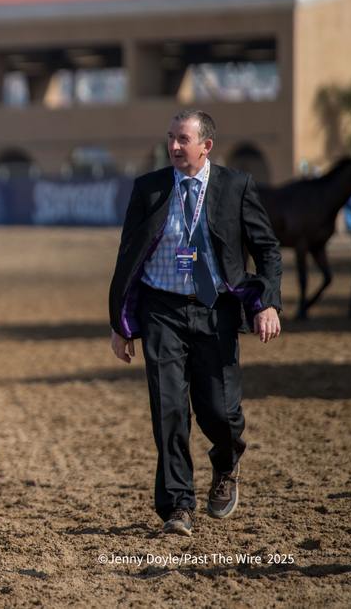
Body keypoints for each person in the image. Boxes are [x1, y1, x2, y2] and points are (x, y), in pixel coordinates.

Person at [108, 109, 282, 537]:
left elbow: (267, 249)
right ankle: (178, 506)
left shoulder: (235, 186)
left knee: (220, 411)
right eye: (170, 138)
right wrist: (120, 322)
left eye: (182, 139)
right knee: (168, 410)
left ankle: (226, 463)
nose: (173, 147)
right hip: (161, 310)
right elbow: (128, 256)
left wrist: (267, 303)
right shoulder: (148, 188)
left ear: (206, 146)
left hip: (215, 308)